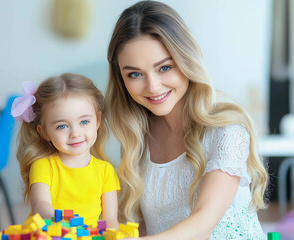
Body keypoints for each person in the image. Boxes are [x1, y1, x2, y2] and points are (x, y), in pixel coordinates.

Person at [105, 1, 268, 239]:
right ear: (121, 79)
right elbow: (142, 226)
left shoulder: (226, 127)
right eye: (135, 74)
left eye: (164, 68)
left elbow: (202, 224)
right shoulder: (136, 136)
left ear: (185, 59)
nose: (152, 86)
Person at [11, 73, 120, 229]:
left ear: (98, 121)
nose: (75, 133)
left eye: (84, 121)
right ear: (44, 132)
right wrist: (64, 224)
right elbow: (41, 207)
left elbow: (110, 220)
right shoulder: (43, 166)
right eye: (62, 126)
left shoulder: (106, 171)